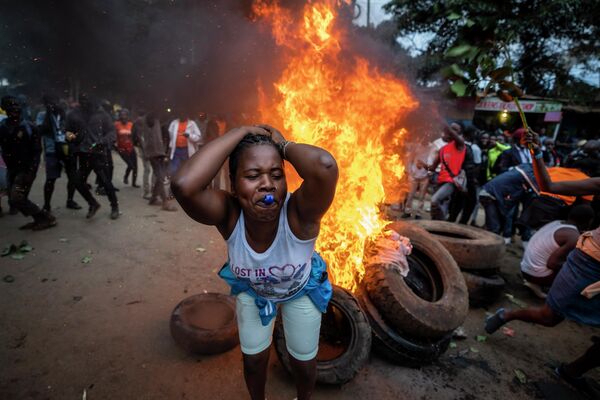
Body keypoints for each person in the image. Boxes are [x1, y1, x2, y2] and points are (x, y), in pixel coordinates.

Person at [171, 124, 338, 400]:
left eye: (276, 174)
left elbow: (325, 165)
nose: (267, 185)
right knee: (253, 361)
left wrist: (283, 145)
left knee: (303, 362)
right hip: (255, 292)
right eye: (252, 175)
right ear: (234, 185)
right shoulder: (229, 214)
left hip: (301, 291)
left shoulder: (300, 214)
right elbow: (183, 185)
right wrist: (241, 131)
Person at [485, 129, 600, 398]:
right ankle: (506, 314)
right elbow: (549, 186)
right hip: (588, 262)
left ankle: (571, 372)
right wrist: (536, 152)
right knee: (549, 318)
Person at [0, 96, 56, 230]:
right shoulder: (2, 127)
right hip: (12, 168)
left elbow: (37, 151)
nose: (14, 111)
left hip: (25, 169)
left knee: (16, 198)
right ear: (6, 111)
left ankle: (46, 218)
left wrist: (32, 170)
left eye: (16, 109)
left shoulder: (29, 127)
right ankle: (40, 218)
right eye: (11, 109)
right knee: (18, 198)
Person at [521, 204, 594, 296]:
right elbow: (552, 263)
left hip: (525, 269)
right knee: (578, 267)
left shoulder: (557, 223)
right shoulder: (574, 237)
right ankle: (551, 290)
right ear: (589, 221)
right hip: (536, 275)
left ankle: (537, 283)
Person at [66, 94, 120, 219]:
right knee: (78, 182)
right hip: (83, 154)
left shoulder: (102, 114)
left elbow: (112, 132)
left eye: (87, 101)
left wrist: (102, 142)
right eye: (82, 101)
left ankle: (115, 207)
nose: (85, 103)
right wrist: (71, 139)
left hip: (98, 154)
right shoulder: (73, 114)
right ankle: (93, 204)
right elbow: (68, 131)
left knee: (105, 182)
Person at [37, 94, 82, 212]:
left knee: (72, 177)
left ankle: (70, 200)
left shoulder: (65, 115)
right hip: (52, 151)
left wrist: (72, 138)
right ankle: (47, 205)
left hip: (66, 149)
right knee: (50, 179)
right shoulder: (42, 115)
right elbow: (40, 130)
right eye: (49, 103)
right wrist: (48, 115)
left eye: (54, 102)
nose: (53, 105)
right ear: (46, 105)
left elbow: (72, 132)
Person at [479, 164, 537, 244]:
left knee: (496, 225)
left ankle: (488, 244)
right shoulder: (527, 173)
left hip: (492, 196)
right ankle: (487, 247)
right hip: (488, 195)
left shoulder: (522, 181)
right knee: (494, 227)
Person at [133, 111, 176, 211]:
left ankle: (153, 199)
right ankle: (165, 203)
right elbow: (140, 138)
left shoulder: (156, 121)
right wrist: (145, 153)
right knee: (160, 177)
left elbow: (161, 137)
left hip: (159, 153)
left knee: (160, 177)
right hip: (152, 155)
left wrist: (164, 152)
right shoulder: (142, 122)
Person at [427, 121, 466, 220]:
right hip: (439, 180)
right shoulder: (442, 149)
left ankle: (439, 223)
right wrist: (422, 165)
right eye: (451, 129)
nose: (452, 131)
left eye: (455, 129)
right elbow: (432, 167)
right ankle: (438, 225)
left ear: (459, 133)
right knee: (442, 205)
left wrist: (439, 118)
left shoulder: (460, 145)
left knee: (434, 201)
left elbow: (452, 134)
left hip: (451, 182)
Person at [114, 109, 139, 187]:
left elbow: (135, 135)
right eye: (122, 115)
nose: (124, 117)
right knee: (130, 165)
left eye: (125, 115)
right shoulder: (116, 124)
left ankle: (134, 183)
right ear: (120, 116)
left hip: (131, 148)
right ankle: (125, 177)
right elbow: (113, 136)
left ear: (128, 116)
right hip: (122, 149)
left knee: (135, 167)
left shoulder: (131, 124)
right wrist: (114, 146)